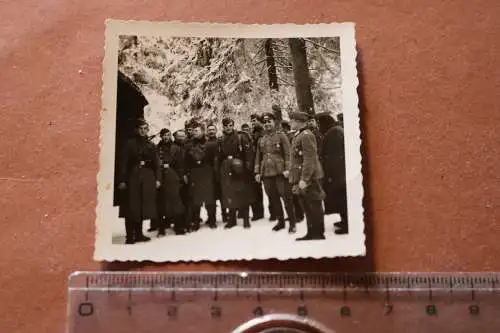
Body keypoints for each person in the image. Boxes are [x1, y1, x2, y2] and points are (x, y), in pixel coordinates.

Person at [117, 119, 161, 244]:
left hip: (147, 177)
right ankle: (130, 236)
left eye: (145, 128)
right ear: (137, 129)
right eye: (141, 128)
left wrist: (157, 179)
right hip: (132, 177)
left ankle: (139, 234)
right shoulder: (129, 144)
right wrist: (122, 180)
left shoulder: (151, 145)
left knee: (142, 206)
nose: (143, 131)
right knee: (132, 206)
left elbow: (157, 164)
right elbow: (123, 164)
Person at [254, 113, 296, 233]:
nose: (267, 124)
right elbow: (258, 156)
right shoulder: (261, 139)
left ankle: (292, 223)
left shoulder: (281, 136)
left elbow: (288, 153)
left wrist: (288, 168)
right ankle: (280, 222)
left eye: (269, 121)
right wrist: (257, 172)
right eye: (265, 122)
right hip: (266, 173)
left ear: (274, 122)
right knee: (273, 199)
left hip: (280, 172)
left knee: (286, 198)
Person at [288, 112, 326, 241]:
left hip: (310, 177)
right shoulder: (299, 135)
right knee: (308, 205)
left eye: (292, 120)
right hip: (304, 176)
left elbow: (310, 159)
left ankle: (318, 233)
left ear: (299, 121)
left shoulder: (306, 135)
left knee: (313, 205)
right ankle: (312, 232)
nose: (290, 123)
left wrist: (305, 178)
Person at [218, 117, 255, 229]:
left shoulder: (241, 136)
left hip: (240, 169)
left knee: (242, 193)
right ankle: (232, 220)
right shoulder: (221, 139)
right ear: (223, 127)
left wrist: (248, 168)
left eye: (230, 125)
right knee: (230, 193)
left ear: (233, 126)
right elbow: (219, 156)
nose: (228, 128)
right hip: (227, 169)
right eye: (226, 126)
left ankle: (246, 219)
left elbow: (248, 153)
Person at [316, 113, 348, 235]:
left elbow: (334, 158)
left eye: (319, 123)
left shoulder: (334, 133)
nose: (318, 127)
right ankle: (343, 221)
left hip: (337, 175)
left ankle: (346, 224)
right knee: (341, 200)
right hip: (339, 174)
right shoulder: (335, 131)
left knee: (342, 200)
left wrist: (329, 176)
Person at [185, 123, 218, 230]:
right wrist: (187, 173)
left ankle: (212, 220)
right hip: (195, 173)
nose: (195, 132)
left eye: (197, 130)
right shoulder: (188, 145)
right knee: (196, 199)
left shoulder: (211, 144)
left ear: (203, 131)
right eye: (194, 131)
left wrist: (214, 173)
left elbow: (215, 160)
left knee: (210, 198)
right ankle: (196, 221)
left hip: (207, 172)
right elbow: (186, 161)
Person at [154, 128, 186, 236]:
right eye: (164, 135)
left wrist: (181, 178)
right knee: (161, 202)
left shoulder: (176, 148)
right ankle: (161, 228)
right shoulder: (157, 148)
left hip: (173, 177)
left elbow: (181, 165)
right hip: (161, 177)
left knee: (176, 201)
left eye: (168, 135)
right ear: (161, 136)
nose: (166, 137)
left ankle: (178, 227)